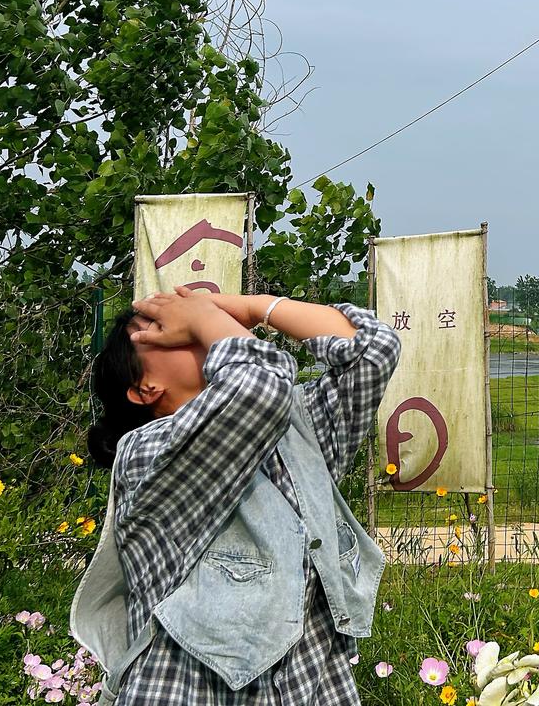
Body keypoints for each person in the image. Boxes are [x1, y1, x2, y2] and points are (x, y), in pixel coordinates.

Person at [70, 286, 401, 705]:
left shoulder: (291, 432)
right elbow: (258, 387)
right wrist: (208, 322)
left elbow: (373, 351)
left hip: (309, 687)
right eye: (159, 327)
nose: (185, 324)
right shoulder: (146, 453)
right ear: (144, 388)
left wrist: (254, 307)